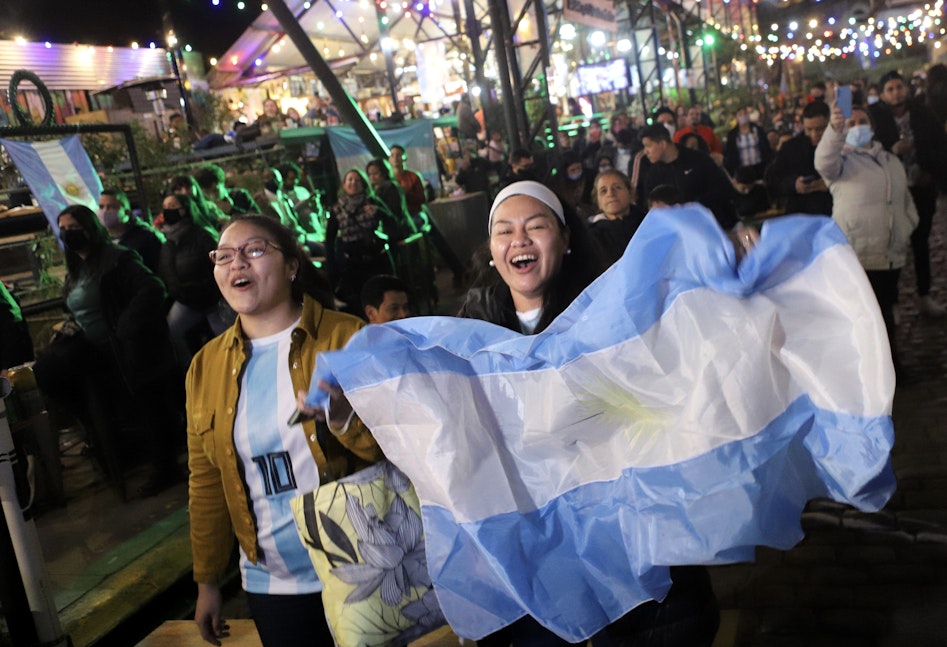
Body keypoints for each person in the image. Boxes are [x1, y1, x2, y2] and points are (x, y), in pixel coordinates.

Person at [457, 181, 719, 646]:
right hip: (539, 567)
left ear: (566, 238)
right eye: (504, 230)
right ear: (492, 250)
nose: (519, 239)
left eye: (535, 226)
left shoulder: (617, 316)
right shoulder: (468, 337)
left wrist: (725, 273)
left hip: (632, 553)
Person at [187, 215, 384, 647]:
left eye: (254, 250)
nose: (237, 263)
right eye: (224, 256)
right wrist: (207, 581)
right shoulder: (206, 366)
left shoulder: (348, 337)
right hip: (270, 583)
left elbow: (397, 451)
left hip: (360, 568)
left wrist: (343, 419)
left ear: (292, 266)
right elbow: (206, 481)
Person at [32, 205, 181, 498]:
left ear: (89, 228)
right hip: (95, 348)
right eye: (61, 228)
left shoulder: (116, 259)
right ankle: (97, 429)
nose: (66, 233)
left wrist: (124, 326)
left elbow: (153, 288)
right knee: (45, 372)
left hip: (123, 349)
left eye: (72, 226)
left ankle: (163, 467)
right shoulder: (77, 267)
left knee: (148, 409)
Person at [815, 103, 917, 371]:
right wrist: (835, 129)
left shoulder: (889, 160)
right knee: (866, 315)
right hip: (859, 253)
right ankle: (871, 371)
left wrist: (907, 226)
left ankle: (892, 364)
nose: (856, 126)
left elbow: (904, 199)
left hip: (890, 251)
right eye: (850, 123)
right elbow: (823, 161)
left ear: (871, 127)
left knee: (887, 310)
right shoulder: (841, 163)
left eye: (861, 121)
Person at [868, 70, 947, 317]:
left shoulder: (923, 114)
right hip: (890, 194)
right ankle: (891, 304)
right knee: (893, 247)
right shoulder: (875, 119)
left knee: (921, 242)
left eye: (898, 87)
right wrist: (892, 149)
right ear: (882, 94)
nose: (896, 93)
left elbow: (941, 147)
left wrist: (929, 170)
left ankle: (924, 295)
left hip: (921, 188)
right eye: (890, 89)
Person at [158, 193, 227, 369]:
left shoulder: (202, 236)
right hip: (186, 301)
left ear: (186, 209)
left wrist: (203, 291)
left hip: (212, 301)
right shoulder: (168, 241)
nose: (168, 211)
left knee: (228, 338)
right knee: (172, 332)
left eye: (173, 206)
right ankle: (191, 373)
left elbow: (217, 267)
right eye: (166, 207)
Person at [638, 124, 739, 231]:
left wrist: (692, 206)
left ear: (663, 144)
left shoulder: (699, 159)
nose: (645, 152)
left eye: (648, 146)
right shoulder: (653, 175)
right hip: (680, 233)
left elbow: (722, 190)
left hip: (716, 226)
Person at [325, 169, 399, 314]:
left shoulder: (372, 202)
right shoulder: (337, 209)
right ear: (344, 185)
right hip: (353, 264)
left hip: (376, 259)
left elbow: (394, 223)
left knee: (386, 298)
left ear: (363, 184)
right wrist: (331, 266)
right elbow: (330, 239)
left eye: (357, 180)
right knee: (360, 304)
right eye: (350, 180)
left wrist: (378, 212)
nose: (353, 183)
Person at [764, 100, 833, 216]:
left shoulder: (842, 146)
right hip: (801, 212)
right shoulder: (790, 148)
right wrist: (794, 184)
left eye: (820, 129)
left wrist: (829, 184)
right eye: (809, 129)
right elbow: (774, 181)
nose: (814, 134)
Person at [586, 170, 647, 266]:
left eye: (617, 187)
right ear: (598, 202)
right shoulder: (591, 238)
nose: (610, 194)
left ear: (630, 193)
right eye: (603, 191)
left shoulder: (647, 224)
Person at [97, 188, 164, 273]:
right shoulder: (98, 239)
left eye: (111, 207)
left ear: (126, 212)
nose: (104, 211)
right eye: (101, 207)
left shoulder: (145, 238)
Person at [723, 106, 773, 182]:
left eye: (745, 113)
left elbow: (766, 149)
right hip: (742, 171)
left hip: (759, 168)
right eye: (740, 114)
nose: (743, 116)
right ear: (736, 117)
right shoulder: (732, 135)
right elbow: (730, 155)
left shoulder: (758, 130)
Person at [194, 164, 260, 218]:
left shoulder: (240, 195)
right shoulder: (202, 204)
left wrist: (232, 210)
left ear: (223, 183)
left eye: (215, 191)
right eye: (206, 193)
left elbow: (259, 219)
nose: (211, 196)